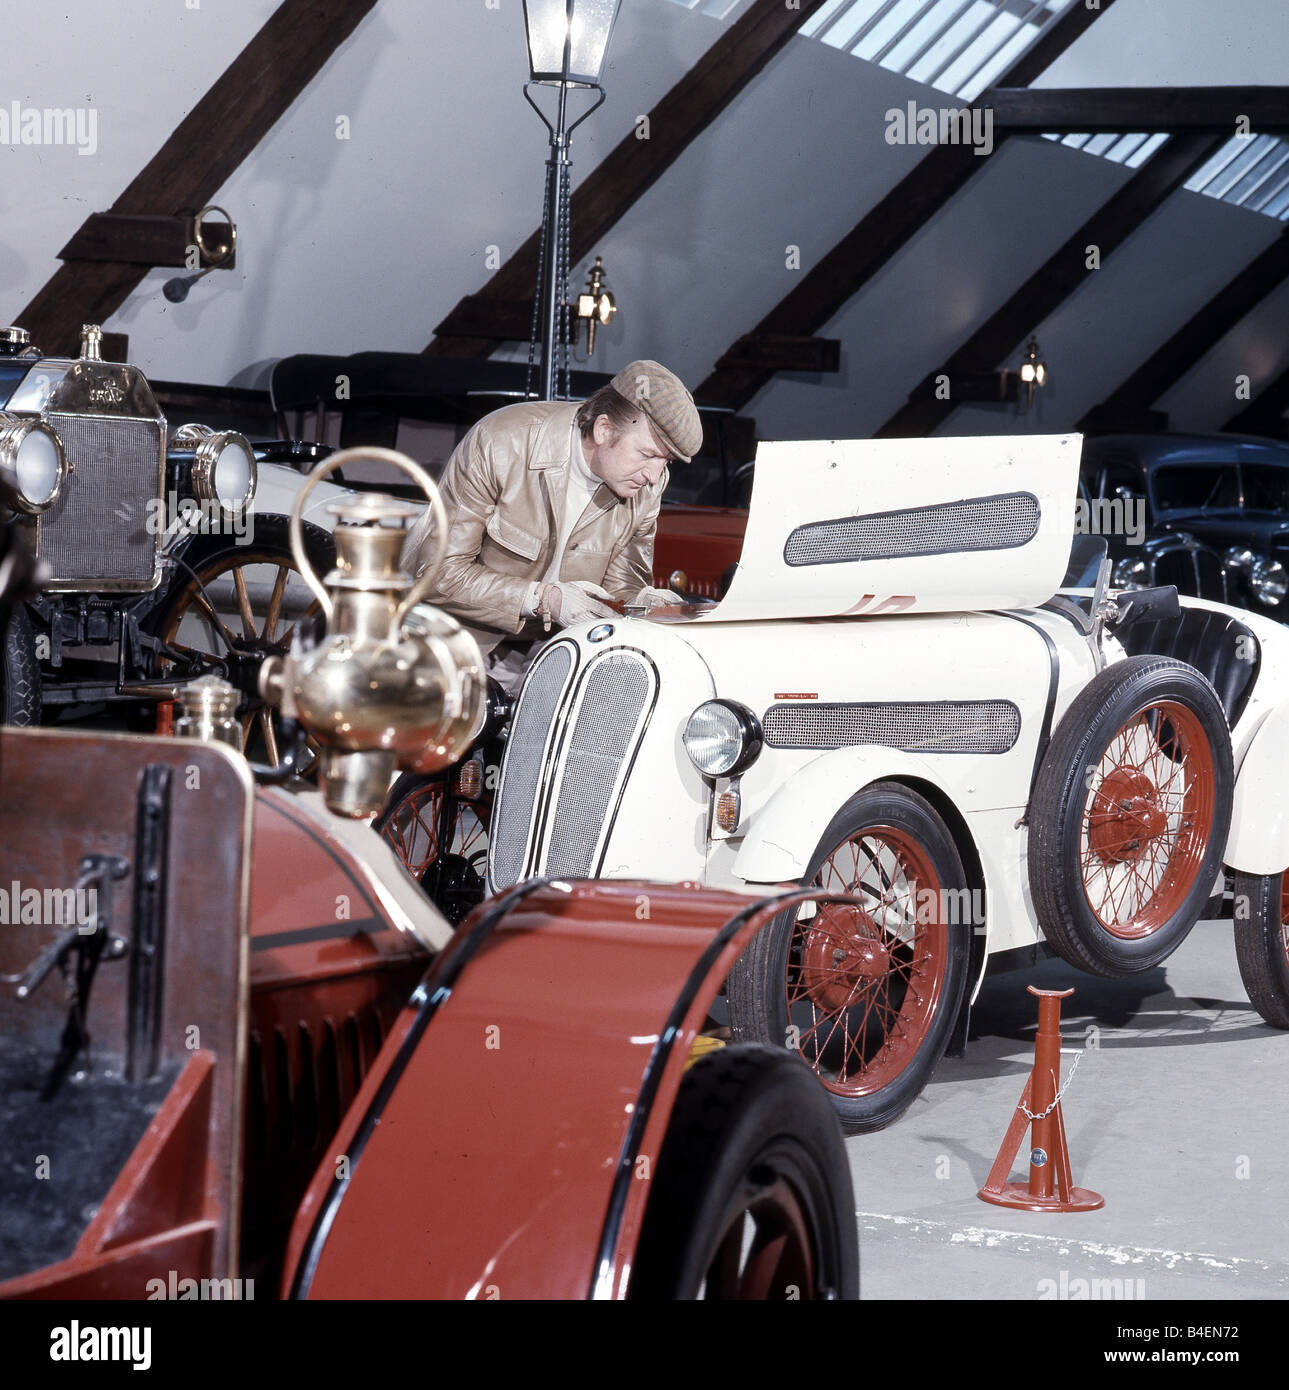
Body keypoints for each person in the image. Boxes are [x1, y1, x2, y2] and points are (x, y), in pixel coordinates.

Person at [401, 359, 703, 691]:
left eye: (667, 461)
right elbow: (437, 572)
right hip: (448, 650)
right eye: (647, 454)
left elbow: (620, 592)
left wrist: (643, 603)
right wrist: (546, 600)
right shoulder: (501, 443)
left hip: (552, 661)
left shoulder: (646, 487)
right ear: (604, 429)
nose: (655, 476)